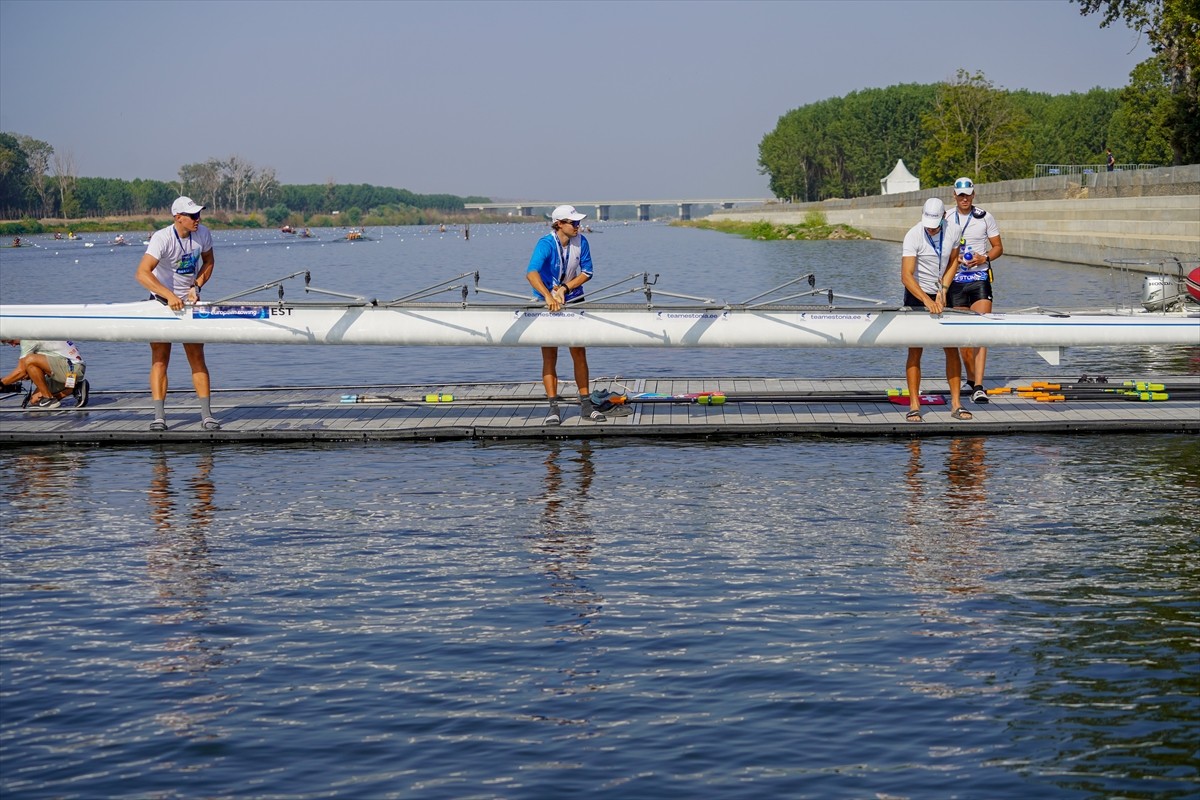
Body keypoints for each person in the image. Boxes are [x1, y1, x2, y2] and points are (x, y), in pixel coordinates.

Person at [135, 196, 219, 431]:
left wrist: (197, 286)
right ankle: (159, 417)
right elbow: (142, 273)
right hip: (161, 303)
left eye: (199, 214)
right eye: (193, 216)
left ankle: (207, 416)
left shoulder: (203, 234)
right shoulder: (162, 238)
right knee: (160, 358)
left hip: (189, 303)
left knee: (197, 356)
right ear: (178, 217)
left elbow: (209, 261)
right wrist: (169, 296)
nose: (198, 219)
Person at [526, 204, 605, 424]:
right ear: (559, 224)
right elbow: (531, 273)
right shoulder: (545, 244)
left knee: (578, 351)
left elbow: (587, 272)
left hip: (574, 297)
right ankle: (553, 409)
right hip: (546, 301)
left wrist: (564, 288)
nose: (578, 226)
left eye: (579, 222)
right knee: (550, 355)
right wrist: (549, 296)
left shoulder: (582, 242)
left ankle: (586, 406)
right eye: (574, 223)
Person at [900, 198, 970, 422]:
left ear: (943, 217)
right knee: (915, 349)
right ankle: (914, 405)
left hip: (942, 291)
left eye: (935, 224)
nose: (930, 228)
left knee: (951, 347)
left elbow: (953, 261)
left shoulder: (954, 230)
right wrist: (926, 300)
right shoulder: (913, 235)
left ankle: (956, 404)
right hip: (916, 293)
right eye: (928, 224)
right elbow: (906, 275)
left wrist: (944, 289)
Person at [946, 177, 1003, 404]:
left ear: (973, 195)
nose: (964, 199)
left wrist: (983, 258)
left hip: (979, 279)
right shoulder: (946, 217)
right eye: (961, 195)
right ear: (954, 195)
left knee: (981, 332)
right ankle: (970, 379)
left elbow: (998, 247)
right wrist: (955, 259)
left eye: (968, 195)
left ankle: (979, 386)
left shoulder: (984, 217)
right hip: (956, 281)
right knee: (964, 338)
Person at [1, 339, 89, 409]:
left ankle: (49, 398)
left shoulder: (27, 338)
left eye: (10, 341)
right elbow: (27, 371)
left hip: (73, 368)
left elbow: (21, 370)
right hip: (69, 372)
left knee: (28, 360)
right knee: (34, 400)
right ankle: (75, 388)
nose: (13, 345)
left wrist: (1, 383)